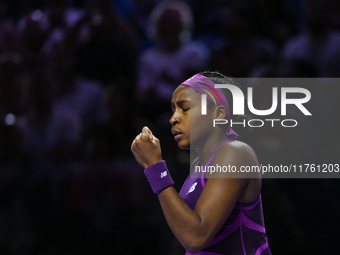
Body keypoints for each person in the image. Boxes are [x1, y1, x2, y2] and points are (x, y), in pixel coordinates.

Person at [131, 71, 271, 255]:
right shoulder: (198, 165)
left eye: (185, 108)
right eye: (173, 109)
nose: (173, 118)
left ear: (218, 113)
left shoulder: (236, 152)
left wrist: (154, 167)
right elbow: (182, 240)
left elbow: (195, 238)